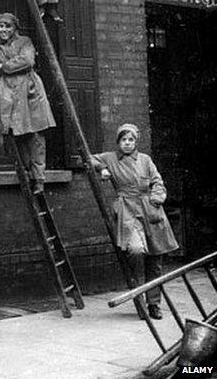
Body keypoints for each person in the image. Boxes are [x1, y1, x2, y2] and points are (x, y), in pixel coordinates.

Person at [91, 123, 179, 319]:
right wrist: (102, 168)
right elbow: (87, 158)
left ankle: (154, 304)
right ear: (118, 142)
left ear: (135, 142)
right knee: (136, 250)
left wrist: (156, 200)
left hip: (151, 212)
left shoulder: (145, 160)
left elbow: (157, 181)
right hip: (129, 213)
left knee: (155, 262)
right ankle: (138, 297)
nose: (128, 143)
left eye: (131, 140)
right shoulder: (111, 158)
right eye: (124, 140)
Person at [0, 12, 56, 193]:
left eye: (8, 26)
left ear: (15, 27)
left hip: (29, 92)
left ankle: (39, 178)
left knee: (35, 136)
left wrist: (2, 67)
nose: (4, 30)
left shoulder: (25, 42)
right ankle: (26, 173)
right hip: (10, 93)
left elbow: (27, 60)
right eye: (0, 26)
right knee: (18, 134)